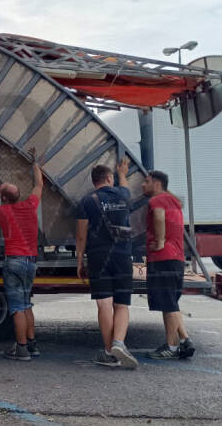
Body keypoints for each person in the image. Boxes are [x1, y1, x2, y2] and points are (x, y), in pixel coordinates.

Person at [76, 157, 138, 370]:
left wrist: (79, 260)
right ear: (109, 178)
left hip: (98, 256)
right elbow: (127, 187)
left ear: (94, 181)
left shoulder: (86, 201)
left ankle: (109, 352)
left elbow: (81, 236)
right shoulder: (123, 195)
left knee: (104, 304)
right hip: (122, 254)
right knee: (122, 303)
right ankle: (119, 343)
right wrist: (122, 173)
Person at [0, 159, 44, 361]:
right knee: (26, 304)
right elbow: (38, 185)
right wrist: (35, 166)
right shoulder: (30, 205)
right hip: (31, 261)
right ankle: (32, 345)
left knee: (16, 307)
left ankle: (22, 348)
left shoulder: (2, 211)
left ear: (3, 198)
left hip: (14, 261)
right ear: (19, 195)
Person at [142, 170, 196, 360]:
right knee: (170, 302)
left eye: (146, 181)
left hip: (163, 258)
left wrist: (159, 241)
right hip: (176, 259)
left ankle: (171, 347)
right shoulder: (173, 201)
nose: (142, 185)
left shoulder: (156, 201)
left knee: (168, 302)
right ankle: (184, 339)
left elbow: (158, 217)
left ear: (156, 183)